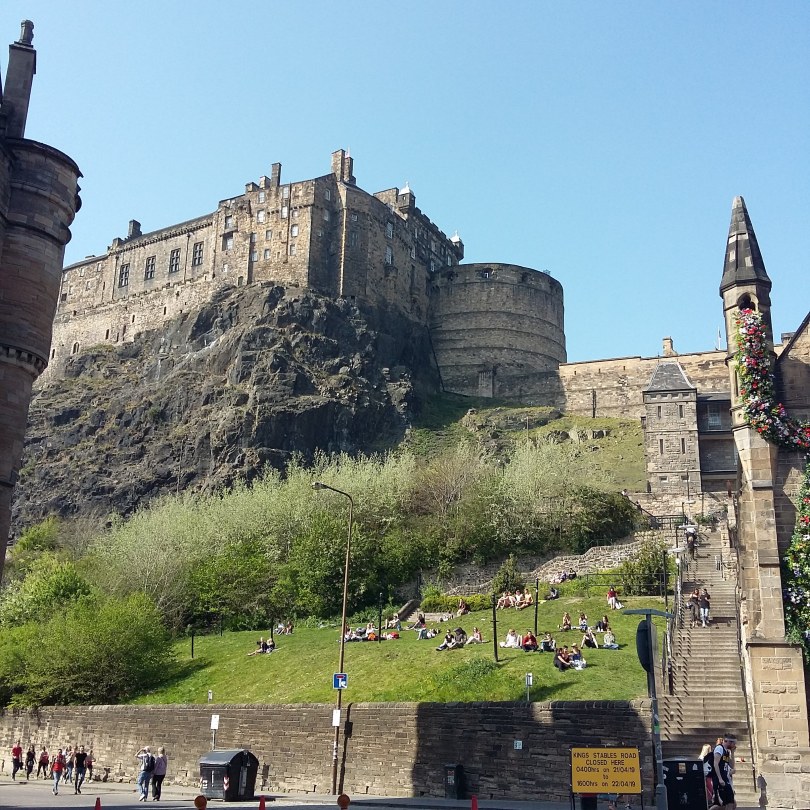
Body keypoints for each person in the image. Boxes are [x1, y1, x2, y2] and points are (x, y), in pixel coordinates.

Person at [708, 735, 736, 810]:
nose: (734, 745)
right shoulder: (719, 748)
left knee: (731, 803)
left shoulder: (727, 751)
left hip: (725, 779)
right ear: (729, 742)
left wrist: (732, 753)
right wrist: (720, 779)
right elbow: (715, 764)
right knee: (725, 803)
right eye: (733, 743)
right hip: (719, 779)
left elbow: (732, 765)